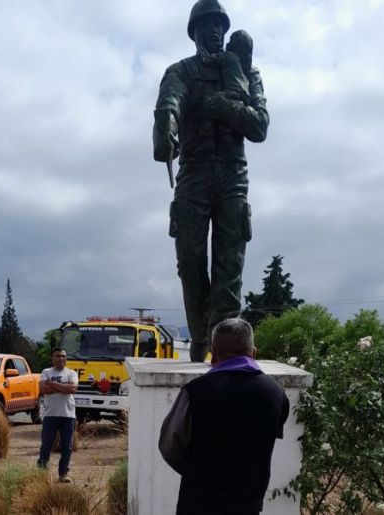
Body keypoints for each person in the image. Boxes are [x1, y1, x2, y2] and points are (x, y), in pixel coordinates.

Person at [153, 0, 270, 362]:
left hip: (233, 174)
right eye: (207, 26)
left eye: (219, 25)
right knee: (189, 260)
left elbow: (260, 126)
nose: (215, 31)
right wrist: (166, 130)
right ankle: (200, 335)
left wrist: (222, 105)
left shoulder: (247, 74)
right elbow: (169, 104)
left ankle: (225, 349)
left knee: (229, 264)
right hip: (194, 172)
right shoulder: (181, 71)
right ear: (195, 33)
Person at [159, 318, 289, 514]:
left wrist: (198, 474)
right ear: (254, 353)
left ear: (213, 354)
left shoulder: (194, 392)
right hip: (248, 506)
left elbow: (169, 447)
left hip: (198, 504)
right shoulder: (277, 394)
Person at [37, 348, 78, 483]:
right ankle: (41, 474)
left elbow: (72, 389)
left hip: (68, 415)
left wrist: (51, 383)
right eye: (57, 356)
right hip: (50, 415)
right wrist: (63, 387)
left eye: (63, 356)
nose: (60, 358)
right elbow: (43, 389)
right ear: (52, 358)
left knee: (67, 447)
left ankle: (63, 474)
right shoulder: (46, 372)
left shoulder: (71, 373)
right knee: (46, 445)